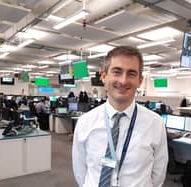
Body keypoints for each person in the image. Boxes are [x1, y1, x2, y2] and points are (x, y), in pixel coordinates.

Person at [72, 46, 168, 187]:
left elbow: (158, 174)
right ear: (104, 76)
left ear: (140, 81)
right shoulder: (85, 122)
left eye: (131, 73)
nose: (123, 81)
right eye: (117, 72)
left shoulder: (155, 124)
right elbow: (80, 171)